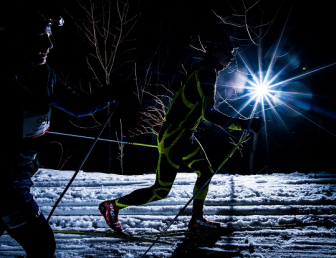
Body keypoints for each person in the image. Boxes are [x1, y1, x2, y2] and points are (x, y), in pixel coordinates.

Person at [0, 5, 124, 258]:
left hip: (17, 177)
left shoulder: (45, 76)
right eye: (39, 37)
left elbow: (79, 107)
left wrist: (113, 92)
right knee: (42, 244)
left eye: (48, 35)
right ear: (16, 41)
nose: (49, 44)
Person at [98, 31, 264, 233]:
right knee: (160, 191)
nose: (231, 57)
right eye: (227, 52)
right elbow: (209, 114)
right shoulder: (206, 72)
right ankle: (113, 206)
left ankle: (197, 219)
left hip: (185, 135)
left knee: (205, 172)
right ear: (213, 51)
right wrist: (243, 124)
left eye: (232, 53)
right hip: (175, 137)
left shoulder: (205, 69)